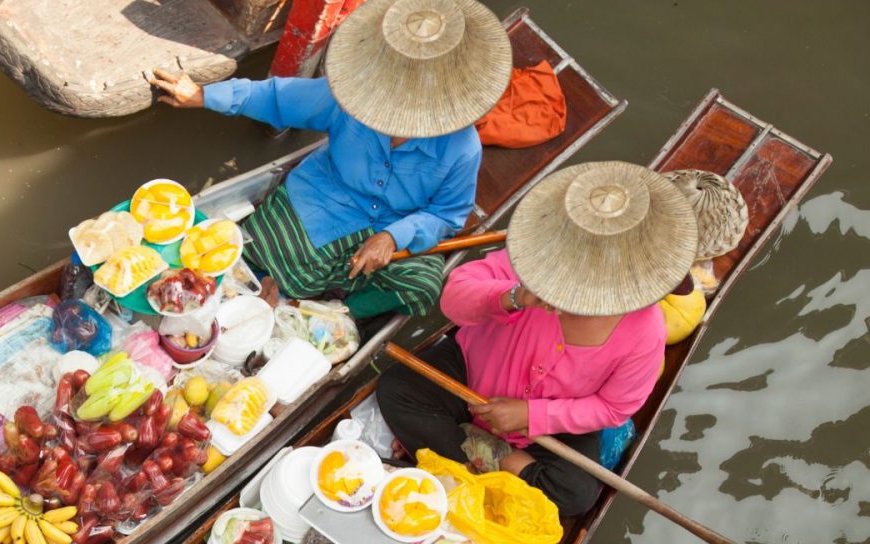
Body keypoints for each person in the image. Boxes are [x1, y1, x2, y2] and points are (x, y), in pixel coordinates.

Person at [148, 0, 511, 318]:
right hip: (322, 198)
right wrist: (203, 96)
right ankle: (289, 290)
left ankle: (332, 313)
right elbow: (278, 97)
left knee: (424, 285)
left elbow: (446, 216)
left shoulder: (462, 148)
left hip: (393, 223)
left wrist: (393, 235)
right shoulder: (354, 97)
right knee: (247, 252)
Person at [376, 161, 699, 516]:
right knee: (396, 388)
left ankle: (471, 454)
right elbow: (455, 299)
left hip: (553, 422)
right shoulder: (533, 265)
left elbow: (614, 408)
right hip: (470, 375)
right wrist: (517, 296)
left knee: (575, 495)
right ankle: (491, 463)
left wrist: (533, 414)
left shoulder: (646, 330)